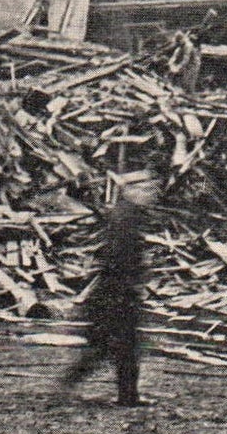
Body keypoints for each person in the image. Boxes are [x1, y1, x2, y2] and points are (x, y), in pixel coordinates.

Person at [61, 171, 159, 406]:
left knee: (110, 346)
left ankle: (72, 387)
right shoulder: (124, 217)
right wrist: (130, 284)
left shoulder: (130, 215)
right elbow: (118, 257)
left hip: (116, 291)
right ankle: (126, 397)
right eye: (145, 190)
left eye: (152, 190)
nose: (151, 195)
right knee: (121, 346)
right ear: (130, 191)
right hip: (116, 292)